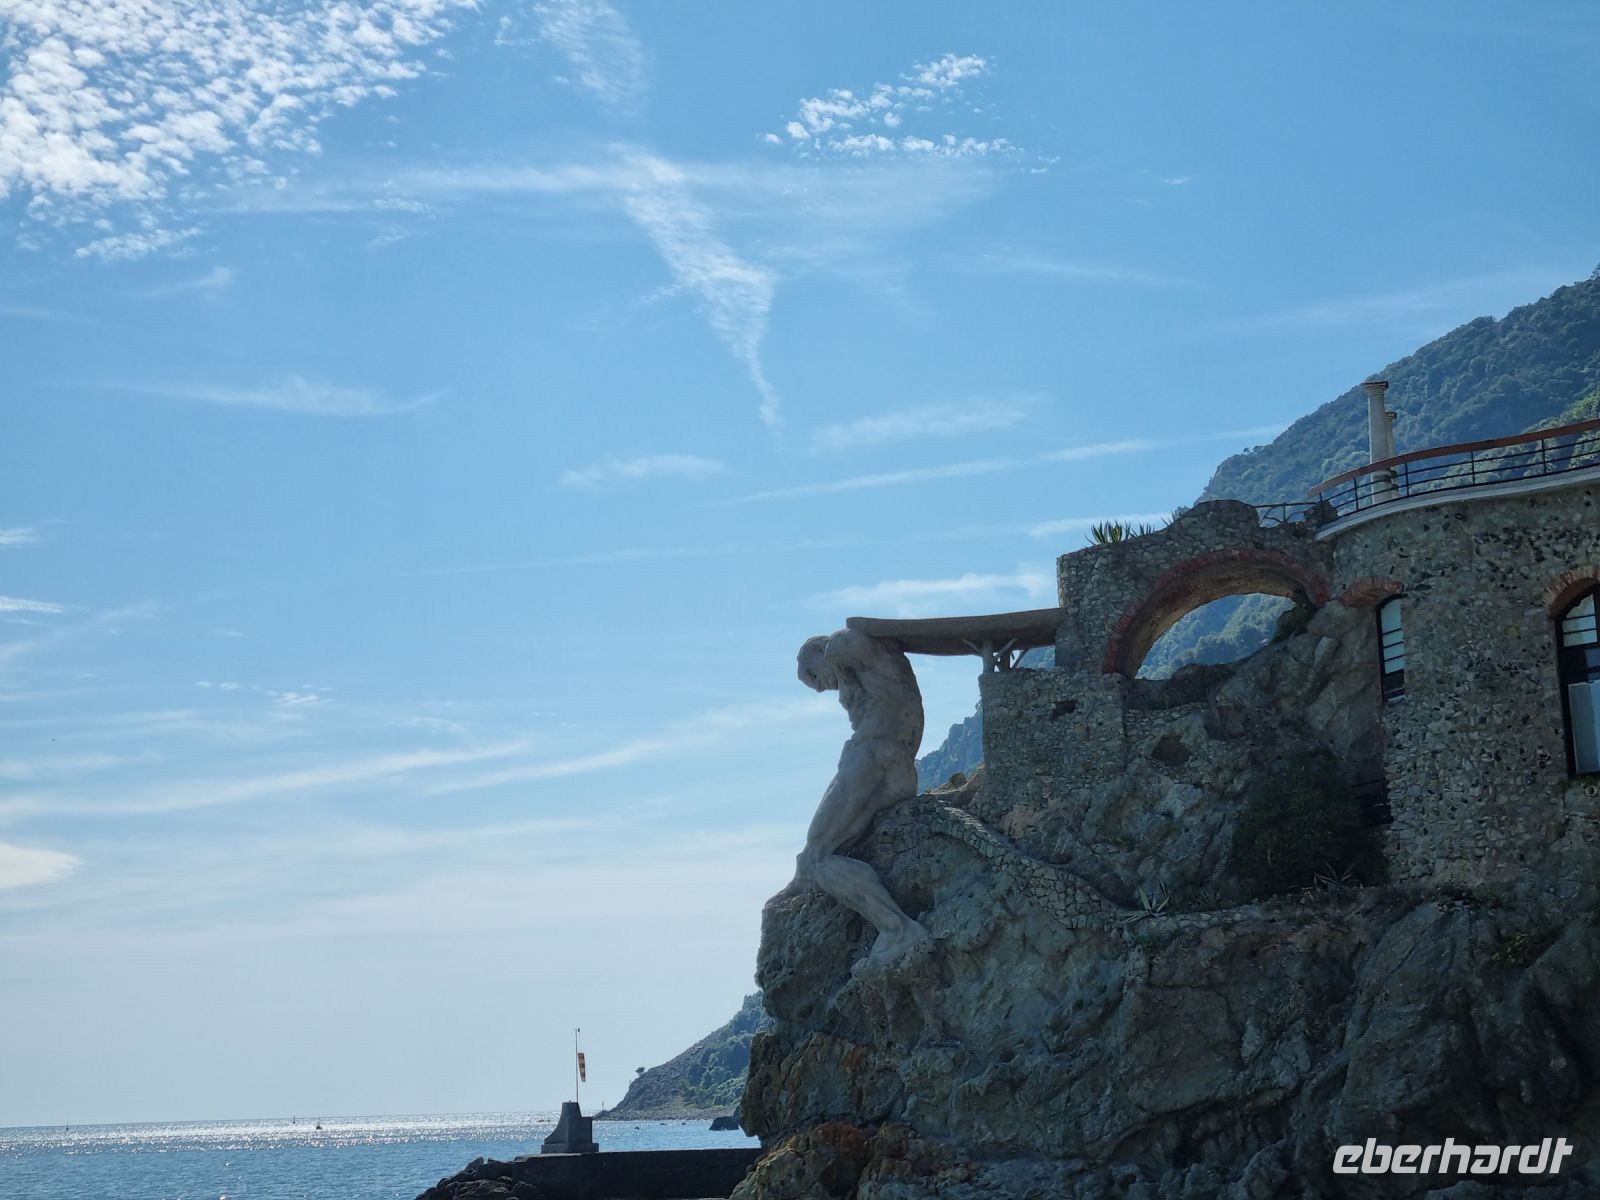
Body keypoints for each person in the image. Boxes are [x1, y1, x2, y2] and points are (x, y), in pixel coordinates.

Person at [790, 627, 931, 965]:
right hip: (888, 764)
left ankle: (897, 929)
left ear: (820, 656)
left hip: (871, 760)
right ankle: (802, 877)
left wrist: (832, 656)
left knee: (818, 856)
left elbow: (851, 643)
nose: (822, 688)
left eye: (814, 676)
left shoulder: (845, 648)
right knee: (812, 854)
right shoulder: (866, 678)